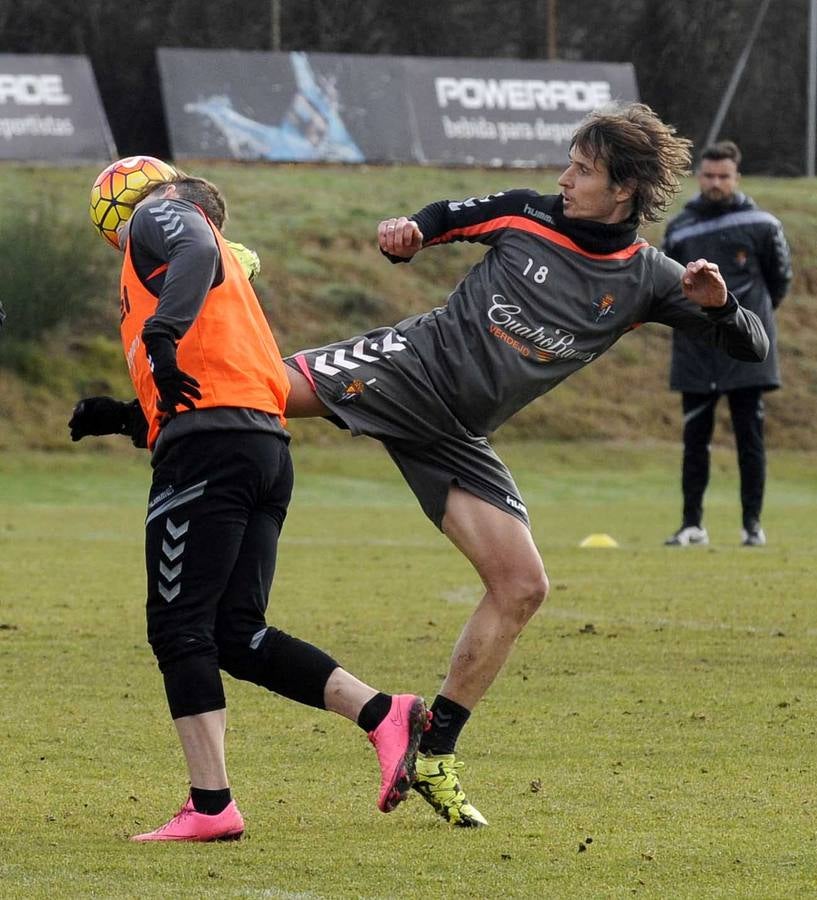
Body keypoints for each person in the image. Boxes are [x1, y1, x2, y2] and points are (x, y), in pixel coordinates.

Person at [77, 105, 769, 829]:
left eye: (582, 169)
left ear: (622, 189)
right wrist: (406, 235)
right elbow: (437, 220)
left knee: (522, 585)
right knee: (263, 390)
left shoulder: (650, 279)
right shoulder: (525, 215)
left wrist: (719, 307)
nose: (564, 179)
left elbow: (748, 344)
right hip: (406, 368)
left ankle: (433, 746)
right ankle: (140, 413)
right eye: (568, 163)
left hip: (457, 434)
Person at [69, 168, 429, 842]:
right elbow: (204, 386)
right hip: (259, 450)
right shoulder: (214, 283)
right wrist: (124, 417)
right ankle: (384, 714)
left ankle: (211, 806)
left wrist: (159, 335)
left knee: (179, 629)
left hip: (211, 455)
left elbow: (195, 268)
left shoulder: (163, 214)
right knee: (235, 633)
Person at [661, 140, 792, 548]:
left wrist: (745, 323)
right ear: (699, 176)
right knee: (693, 442)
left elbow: (778, 283)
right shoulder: (680, 227)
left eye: (724, 176)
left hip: (746, 353)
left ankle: (752, 525)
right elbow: (669, 286)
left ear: (737, 177)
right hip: (695, 352)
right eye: (709, 175)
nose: (715, 183)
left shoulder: (762, 224)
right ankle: (691, 526)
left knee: (749, 440)